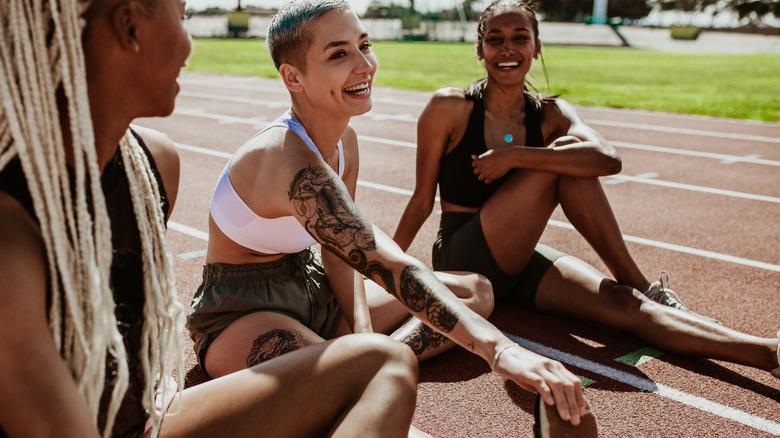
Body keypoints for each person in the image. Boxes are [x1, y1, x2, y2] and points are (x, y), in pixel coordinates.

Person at [0, 0, 423, 437]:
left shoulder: (153, 164)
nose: (189, 45)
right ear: (129, 27)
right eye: (183, 17)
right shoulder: (9, 233)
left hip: (141, 419)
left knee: (381, 363)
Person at [185, 0, 595, 430]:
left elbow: (341, 252)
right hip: (244, 310)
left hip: (312, 287)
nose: (365, 65)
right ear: (293, 78)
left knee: (477, 292)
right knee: (348, 389)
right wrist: (498, 350)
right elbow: (386, 262)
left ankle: (368, 359)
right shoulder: (285, 159)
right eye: (339, 54)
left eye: (365, 45)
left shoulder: (346, 142)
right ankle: (365, 366)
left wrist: (363, 335)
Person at [393, 0, 780, 380]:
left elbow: (607, 158)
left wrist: (513, 156)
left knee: (625, 305)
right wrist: (381, 274)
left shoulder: (551, 114)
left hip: (519, 261)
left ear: (536, 47)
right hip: (463, 257)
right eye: (495, 39)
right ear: (480, 50)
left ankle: (768, 353)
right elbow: (421, 201)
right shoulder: (450, 107)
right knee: (564, 157)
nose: (507, 49)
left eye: (520, 37)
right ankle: (642, 282)